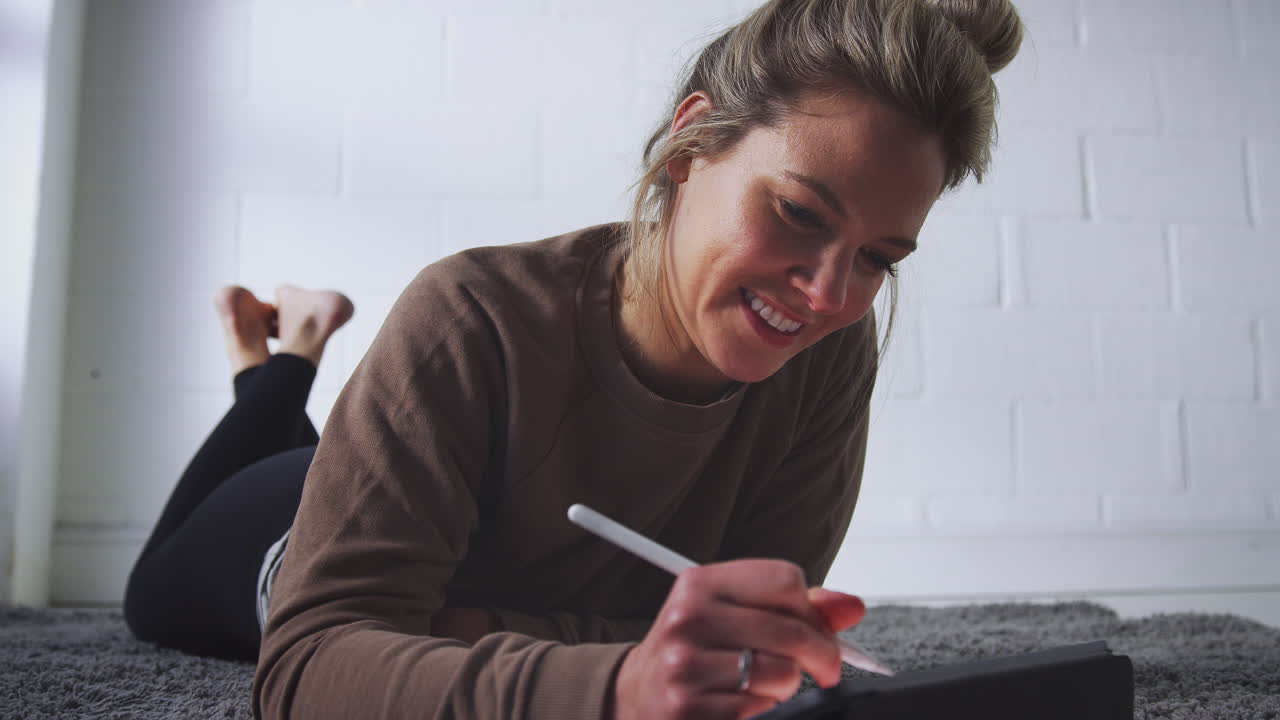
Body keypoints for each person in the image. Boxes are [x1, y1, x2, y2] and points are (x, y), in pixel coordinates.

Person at [123, 0, 1023, 718]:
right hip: (276, 526)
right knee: (149, 591)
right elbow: (308, 665)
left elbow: (751, 637)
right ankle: (278, 360)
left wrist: (481, 628)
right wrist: (619, 684)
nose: (828, 295)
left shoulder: (827, 356)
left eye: (878, 258)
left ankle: (288, 359)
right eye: (797, 213)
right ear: (691, 144)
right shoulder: (469, 317)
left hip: (438, 506)